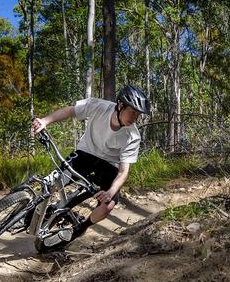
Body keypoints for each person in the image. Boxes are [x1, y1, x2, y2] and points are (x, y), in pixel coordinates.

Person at [32, 85, 151, 250]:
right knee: (53, 181)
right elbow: (70, 111)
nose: (135, 118)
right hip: (85, 154)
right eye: (132, 112)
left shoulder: (133, 136)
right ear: (120, 105)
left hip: (110, 165)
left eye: (138, 115)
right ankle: (37, 210)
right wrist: (45, 121)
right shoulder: (99, 106)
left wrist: (110, 193)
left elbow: (124, 172)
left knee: (108, 205)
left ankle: (81, 227)